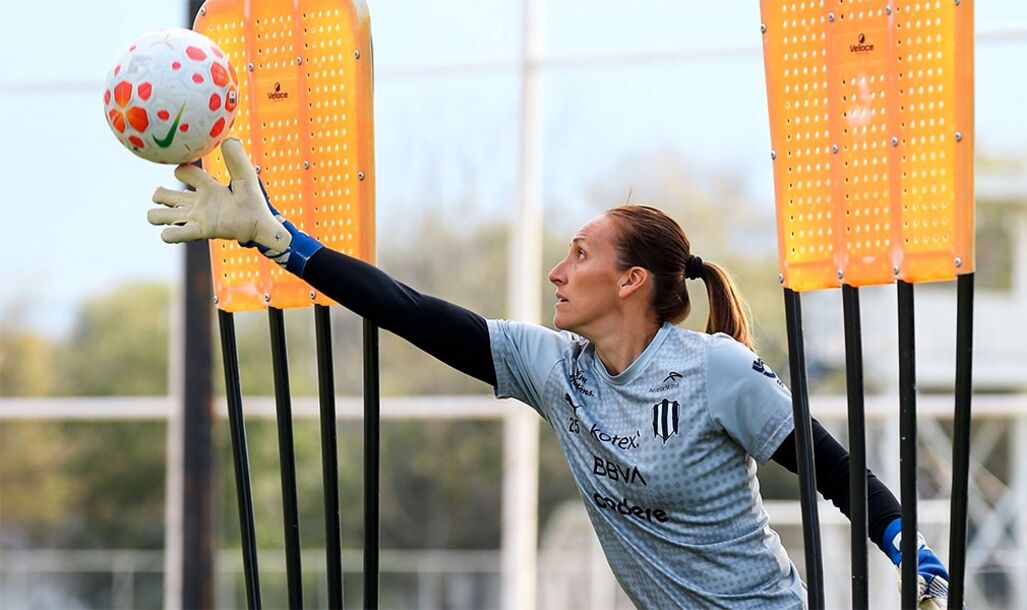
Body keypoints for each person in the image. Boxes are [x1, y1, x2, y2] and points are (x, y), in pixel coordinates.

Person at [149, 138, 952, 609]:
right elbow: (410, 310)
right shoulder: (552, 367)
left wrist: (910, 553)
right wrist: (276, 237)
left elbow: (835, 470)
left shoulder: (717, 369)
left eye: (580, 254)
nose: (557, 272)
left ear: (631, 280)